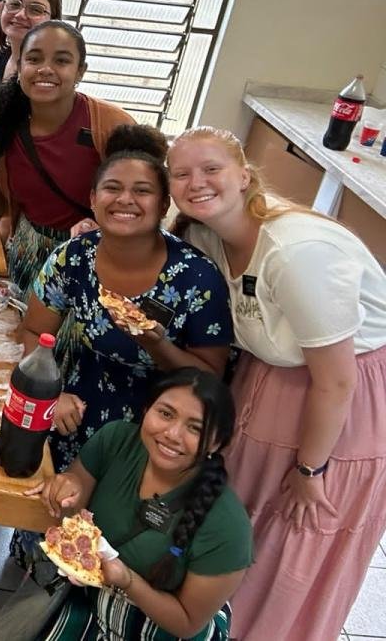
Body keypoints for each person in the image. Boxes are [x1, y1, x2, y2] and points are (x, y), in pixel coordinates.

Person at [167, 126, 386, 641]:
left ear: (245, 176)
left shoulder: (296, 253)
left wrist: (311, 470)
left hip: (338, 406)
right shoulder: (207, 236)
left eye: (211, 169)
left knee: (291, 533)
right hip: (267, 381)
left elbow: (336, 381)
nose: (197, 183)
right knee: (238, 518)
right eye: (181, 174)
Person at [18, 124, 233, 473]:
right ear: (93, 199)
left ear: (164, 204)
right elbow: (32, 332)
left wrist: (156, 345)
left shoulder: (197, 277)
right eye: (112, 188)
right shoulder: (73, 257)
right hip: (77, 413)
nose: (125, 200)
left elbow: (210, 379)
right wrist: (50, 393)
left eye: (142, 191)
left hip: (160, 435)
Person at [27, 368, 252, 641]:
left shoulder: (228, 527)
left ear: (216, 443)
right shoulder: (116, 440)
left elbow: (186, 623)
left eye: (195, 428)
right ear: (146, 409)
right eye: (166, 413)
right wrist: (65, 486)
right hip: (90, 603)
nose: (172, 434)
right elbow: (71, 520)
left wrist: (127, 580)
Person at [0, 20, 134, 299]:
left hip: (89, 258)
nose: (45, 69)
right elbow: (4, 206)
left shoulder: (111, 125)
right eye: (34, 59)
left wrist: (102, 229)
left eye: (61, 60)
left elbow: (144, 205)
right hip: (26, 250)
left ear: (80, 71)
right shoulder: (3, 124)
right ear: (20, 66)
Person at [0, 0, 62, 82]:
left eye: (36, 9)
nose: (20, 15)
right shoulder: (2, 56)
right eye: (14, 4)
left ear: (53, 21)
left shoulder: (46, 74)